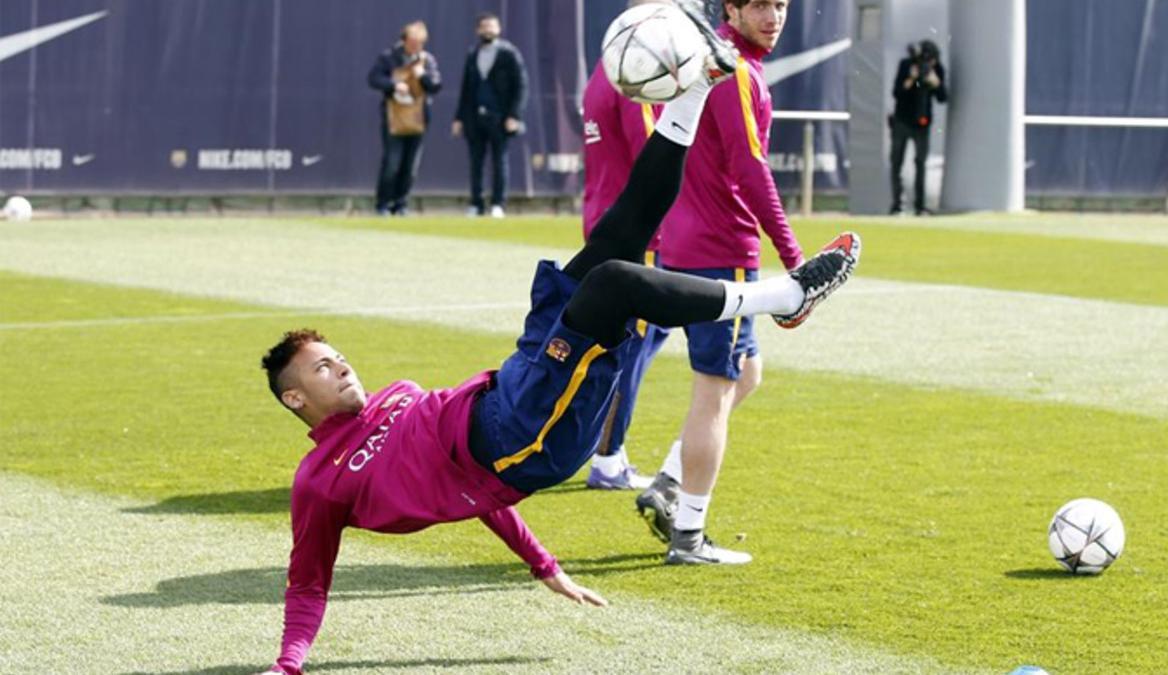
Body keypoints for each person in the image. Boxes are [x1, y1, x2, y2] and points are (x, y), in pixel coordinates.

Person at [256, 8, 860, 670]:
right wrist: (288, 664)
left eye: (334, 355)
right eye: (320, 368)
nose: (339, 366)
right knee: (613, 283)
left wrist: (542, 564)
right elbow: (307, 582)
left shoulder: (393, 397)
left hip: (510, 386)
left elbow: (478, 504)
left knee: (613, 240)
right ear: (294, 399)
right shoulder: (318, 481)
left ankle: (697, 86)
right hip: (521, 439)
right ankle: (785, 297)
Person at [634, 0, 804, 566]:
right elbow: (749, 168)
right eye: (760, 5)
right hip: (721, 253)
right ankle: (688, 536)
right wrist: (794, 255)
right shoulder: (733, 70)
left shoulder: (717, 61)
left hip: (692, 245)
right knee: (713, 391)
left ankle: (667, 483)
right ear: (731, 7)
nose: (774, 15)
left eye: (780, 4)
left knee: (745, 375)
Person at [579, 1, 666, 491]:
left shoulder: (603, 69)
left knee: (639, 338)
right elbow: (653, 154)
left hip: (606, 217)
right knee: (631, 345)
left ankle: (608, 447)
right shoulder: (635, 74)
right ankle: (608, 456)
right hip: (637, 228)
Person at [452, 12, 528, 219]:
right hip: (475, 118)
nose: (488, 30)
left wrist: (514, 115)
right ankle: (476, 203)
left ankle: (498, 204)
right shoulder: (472, 54)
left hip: (500, 118)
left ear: (498, 29)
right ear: (478, 30)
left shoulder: (509, 54)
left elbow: (521, 86)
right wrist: (459, 118)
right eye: (484, 27)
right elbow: (466, 89)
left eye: (492, 26)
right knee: (475, 162)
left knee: (499, 161)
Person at [368, 20, 443, 216]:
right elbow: (374, 79)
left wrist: (422, 76)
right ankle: (383, 203)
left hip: (418, 120)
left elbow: (435, 86)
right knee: (392, 163)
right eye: (412, 42)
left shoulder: (427, 60)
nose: (415, 47)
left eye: (419, 43)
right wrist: (394, 85)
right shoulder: (388, 57)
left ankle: (400, 204)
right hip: (394, 119)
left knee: (410, 167)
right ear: (404, 40)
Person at [889, 39, 948, 215]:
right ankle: (897, 205)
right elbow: (897, 92)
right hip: (901, 120)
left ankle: (920, 206)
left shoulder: (937, 70)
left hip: (922, 123)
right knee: (896, 162)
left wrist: (936, 82)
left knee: (920, 163)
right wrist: (911, 78)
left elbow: (943, 97)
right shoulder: (906, 65)